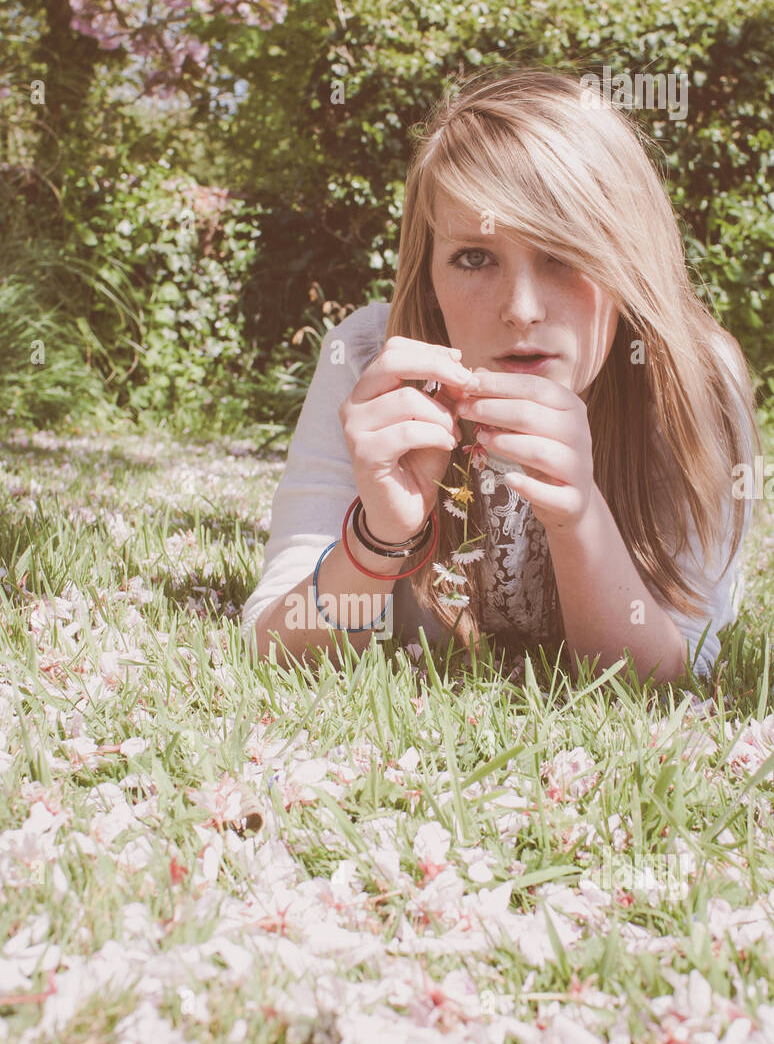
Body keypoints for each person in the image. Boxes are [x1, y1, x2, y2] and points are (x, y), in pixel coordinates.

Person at [241, 67, 760, 685]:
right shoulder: (364, 363)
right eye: (475, 258)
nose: (521, 308)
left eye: (564, 256)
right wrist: (380, 535)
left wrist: (579, 518)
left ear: (629, 265)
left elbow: (671, 675)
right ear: (429, 276)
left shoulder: (689, 383)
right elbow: (272, 648)